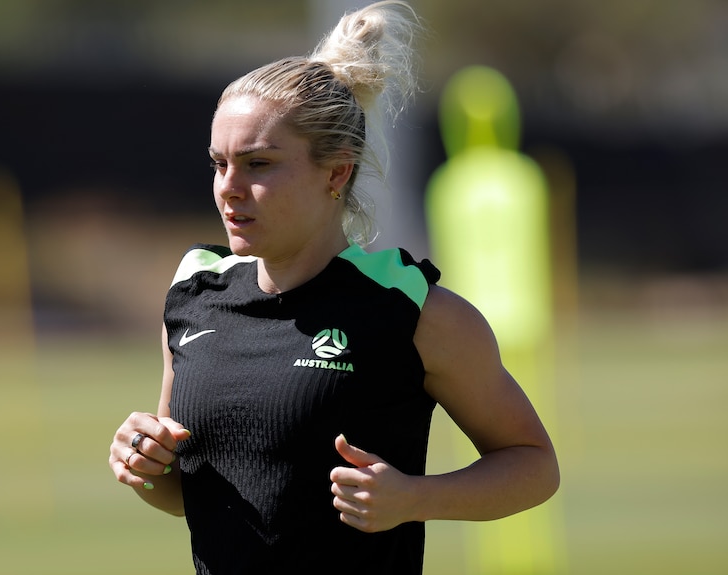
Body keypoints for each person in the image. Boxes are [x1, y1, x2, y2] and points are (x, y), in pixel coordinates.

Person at [108, 2, 559, 573]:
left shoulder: (410, 310)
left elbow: (533, 465)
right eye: (219, 164)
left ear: (336, 172)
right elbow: (183, 495)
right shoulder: (195, 296)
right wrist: (146, 464)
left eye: (258, 164)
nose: (229, 188)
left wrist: (415, 498)